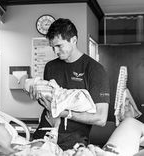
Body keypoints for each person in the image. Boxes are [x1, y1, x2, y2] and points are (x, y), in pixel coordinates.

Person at [29, 18, 110, 150]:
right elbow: (51, 101)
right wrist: (38, 95)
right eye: (52, 47)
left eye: (59, 46)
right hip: (44, 134)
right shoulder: (50, 67)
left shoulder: (95, 69)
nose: (55, 51)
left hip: (72, 142)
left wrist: (63, 112)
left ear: (73, 40)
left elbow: (101, 118)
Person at [0, 109, 144, 156]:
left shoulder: (16, 147)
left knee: (133, 127)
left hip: (89, 152)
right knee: (131, 124)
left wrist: (56, 126)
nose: (4, 124)